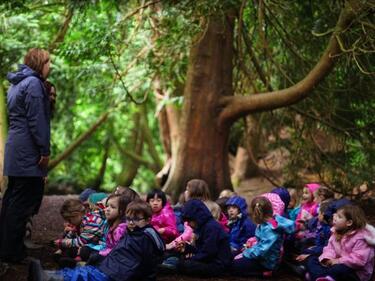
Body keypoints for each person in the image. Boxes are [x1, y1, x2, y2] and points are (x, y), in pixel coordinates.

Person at [0, 48, 52, 264]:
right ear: (40, 63)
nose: (50, 67)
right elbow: (37, 120)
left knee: (12, 199)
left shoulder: (17, 83)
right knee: (22, 202)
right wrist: (44, 150)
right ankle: (12, 252)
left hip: (16, 148)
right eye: (48, 62)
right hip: (27, 150)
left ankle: (8, 247)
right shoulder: (32, 84)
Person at [29, 200, 165, 281]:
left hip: (119, 274)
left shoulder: (146, 237)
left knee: (89, 276)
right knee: (87, 271)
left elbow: (145, 265)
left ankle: (49, 278)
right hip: (114, 267)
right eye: (128, 219)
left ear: (148, 220)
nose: (130, 223)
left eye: (136, 219)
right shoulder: (136, 232)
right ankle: (49, 275)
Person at [305, 205, 375, 281]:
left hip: (356, 272)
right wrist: (327, 259)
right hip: (334, 265)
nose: (334, 218)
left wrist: (337, 261)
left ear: (349, 222)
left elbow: (359, 260)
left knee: (340, 268)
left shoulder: (362, 238)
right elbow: (330, 249)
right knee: (312, 259)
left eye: (339, 217)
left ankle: (316, 275)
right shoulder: (336, 232)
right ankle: (321, 277)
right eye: (336, 215)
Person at [232, 196, 295, 278]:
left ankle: (265, 273)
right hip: (262, 257)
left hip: (267, 263)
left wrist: (247, 253)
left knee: (234, 267)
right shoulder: (266, 223)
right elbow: (260, 243)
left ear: (256, 214)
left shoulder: (270, 229)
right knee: (234, 257)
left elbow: (261, 250)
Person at [176, 199, 232, 277]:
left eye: (189, 220)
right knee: (182, 262)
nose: (188, 224)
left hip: (219, 265)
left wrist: (192, 259)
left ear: (196, 217)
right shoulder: (203, 227)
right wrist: (187, 248)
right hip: (211, 260)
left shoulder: (212, 227)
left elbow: (208, 253)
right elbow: (202, 250)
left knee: (185, 265)